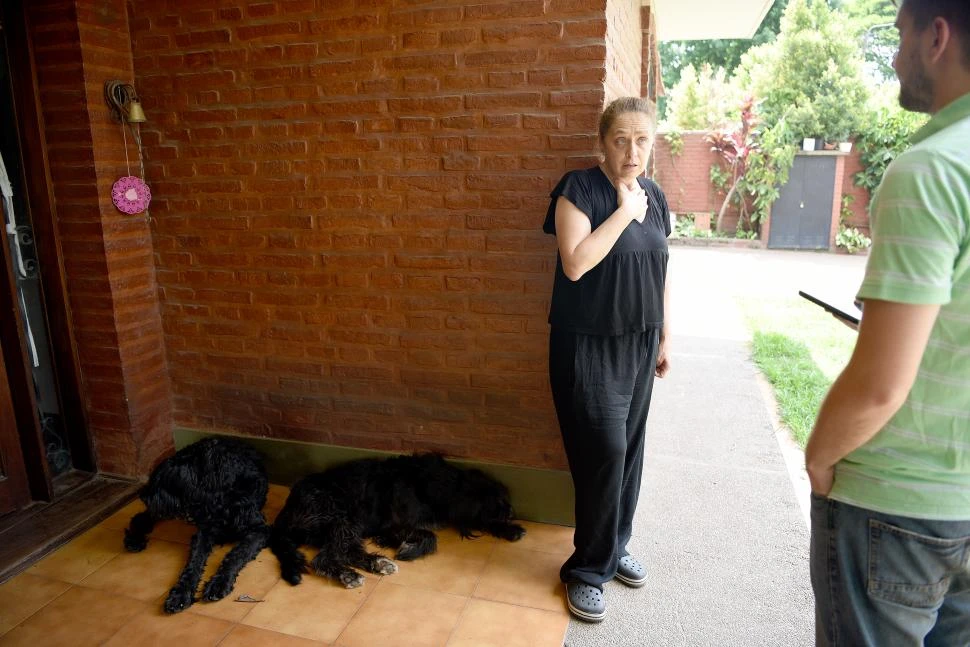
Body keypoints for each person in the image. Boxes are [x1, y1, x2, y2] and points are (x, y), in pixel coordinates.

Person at [805, 1, 970, 644]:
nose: (895, 58)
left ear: (937, 35)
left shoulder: (932, 170)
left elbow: (879, 386)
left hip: (895, 508)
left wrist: (820, 458)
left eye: (899, 38)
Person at [542, 96, 671, 622]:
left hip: (639, 342)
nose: (632, 150)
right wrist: (624, 213)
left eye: (642, 140)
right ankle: (587, 569)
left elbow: (663, 267)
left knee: (631, 454)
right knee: (606, 454)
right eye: (621, 139)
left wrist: (665, 335)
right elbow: (575, 264)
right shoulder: (578, 189)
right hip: (587, 345)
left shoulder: (656, 196)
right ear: (602, 142)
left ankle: (614, 548)